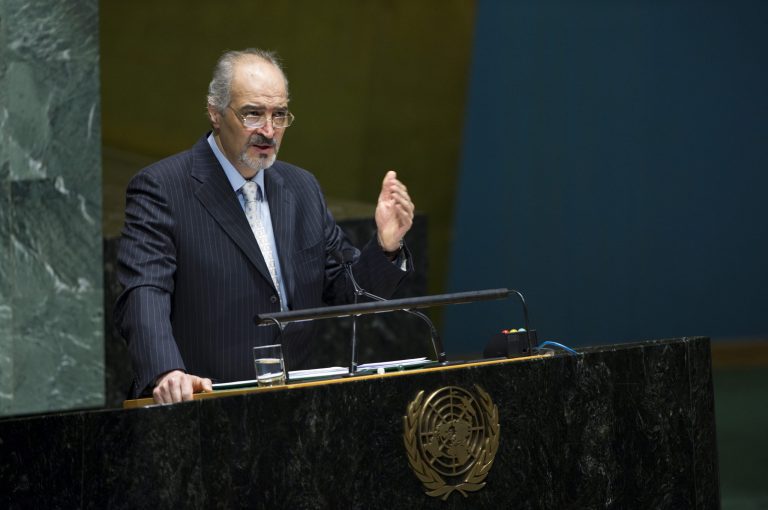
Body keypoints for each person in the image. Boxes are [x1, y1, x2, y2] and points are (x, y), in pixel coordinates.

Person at [115, 48, 415, 404]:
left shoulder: (302, 188)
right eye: (253, 114)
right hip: (202, 404)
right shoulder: (162, 187)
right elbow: (144, 290)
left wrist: (385, 246)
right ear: (215, 112)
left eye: (279, 115)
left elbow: (348, 292)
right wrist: (166, 371)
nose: (269, 131)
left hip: (293, 409)